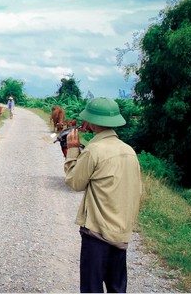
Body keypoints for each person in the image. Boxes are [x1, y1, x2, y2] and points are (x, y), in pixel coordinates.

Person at [64, 97, 142, 293]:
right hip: (120, 234)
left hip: (96, 234)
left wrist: (72, 150)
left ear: (92, 122)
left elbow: (75, 182)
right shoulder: (129, 151)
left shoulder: (94, 150)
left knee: (92, 288)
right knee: (117, 288)